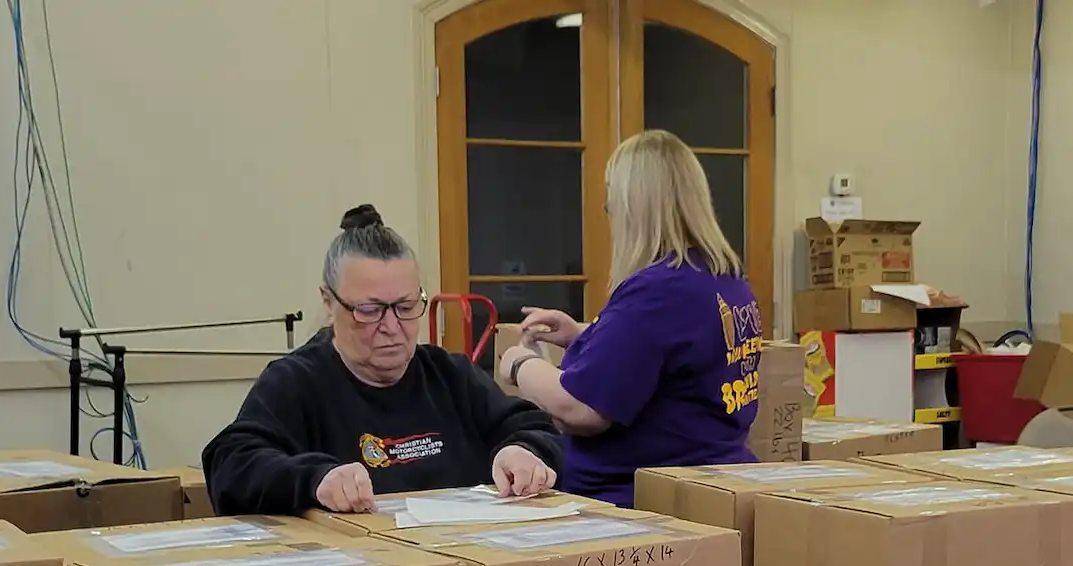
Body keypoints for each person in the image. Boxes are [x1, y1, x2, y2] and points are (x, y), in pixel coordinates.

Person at [204, 206, 561, 514]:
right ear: (329, 304)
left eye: (406, 307)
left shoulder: (449, 376)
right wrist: (315, 479)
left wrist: (522, 451)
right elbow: (231, 465)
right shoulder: (296, 383)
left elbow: (535, 427)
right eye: (369, 310)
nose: (391, 327)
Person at [497, 130, 762, 507]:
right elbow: (674, 355)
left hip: (636, 508)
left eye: (612, 200)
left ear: (634, 207)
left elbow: (583, 408)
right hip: (712, 491)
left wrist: (520, 364)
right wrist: (586, 336)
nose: (607, 209)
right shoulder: (725, 280)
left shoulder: (658, 291)